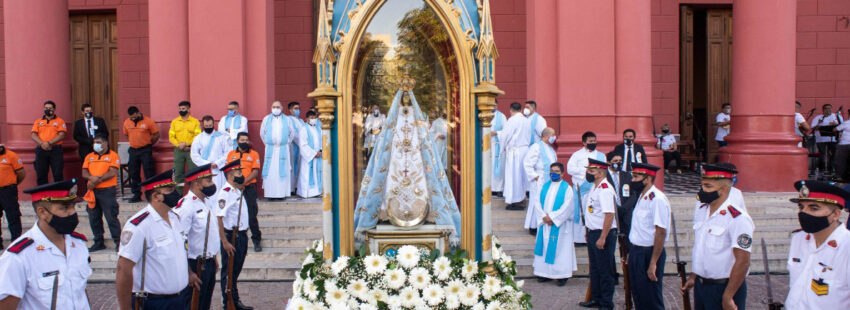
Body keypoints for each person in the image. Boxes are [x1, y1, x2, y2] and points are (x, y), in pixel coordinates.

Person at [353, 90, 462, 247]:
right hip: (396, 169)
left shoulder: (418, 127)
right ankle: (387, 212)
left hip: (416, 167)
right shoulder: (392, 126)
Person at [0, 179, 91, 309]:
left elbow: (80, 292)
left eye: (73, 207)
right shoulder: (20, 257)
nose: (72, 213)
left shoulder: (78, 244)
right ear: (42, 212)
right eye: (64, 208)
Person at [116, 170, 199, 310]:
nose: (176, 193)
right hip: (154, 302)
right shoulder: (139, 226)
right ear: (156, 196)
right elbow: (123, 269)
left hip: (180, 298)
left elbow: (180, 252)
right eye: (170, 190)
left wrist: (189, 273)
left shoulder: (175, 218)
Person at [680, 163, 754, 310]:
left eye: (708, 186)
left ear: (724, 189)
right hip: (701, 287)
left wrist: (728, 296)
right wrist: (694, 276)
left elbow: (743, 261)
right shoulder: (703, 210)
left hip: (724, 287)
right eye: (702, 185)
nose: (703, 190)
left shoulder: (738, 218)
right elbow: (701, 248)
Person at [784, 180, 850, 309]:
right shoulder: (799, 239)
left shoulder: (846, 247)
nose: (804, 213)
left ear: (836, 214)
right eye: (801, 207)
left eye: (814, 208)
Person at [174, 164, 221, 310]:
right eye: (208, 181)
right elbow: (180, 241)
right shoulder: (187, 206)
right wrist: (188, 272)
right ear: (196, 183)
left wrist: (213, 257)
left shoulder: (206, 202)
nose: (212, 184)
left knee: (204, 303)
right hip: (194, 264)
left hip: (208, 262)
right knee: (193, 304)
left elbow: (207, 234)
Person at [627, 163, 670, 310]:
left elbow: (660, 231)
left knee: (651, 297)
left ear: (647, 179)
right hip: (637, 251)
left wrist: (653, 262)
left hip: (649, 252)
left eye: (636, 177)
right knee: (639, 294)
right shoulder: (641, 196)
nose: (632, 180)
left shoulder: (657, 199)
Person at [578, 159, 618, 310]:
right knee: (594, 268)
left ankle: (606, 303)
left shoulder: (605, 189)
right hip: (593, 232)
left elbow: (609, 214)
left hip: (603, 234)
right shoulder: (595, 187)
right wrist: (588, 231)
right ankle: (596, 297)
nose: (588, 173)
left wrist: (602, 237)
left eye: (591, 171)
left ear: (600, 173)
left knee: (604, 270)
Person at [216, 161, 254, 310]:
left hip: (241, 235)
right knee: (229, 271)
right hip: (232, 236)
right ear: (231, 175)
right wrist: (224, 241)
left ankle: (235, 299)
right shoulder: (225, 193)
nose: (241, 175)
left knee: (235, 270)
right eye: (238, 172)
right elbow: (219, 217)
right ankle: (228, 303)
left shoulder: (236, 190)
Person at [532, 162, 577, 286]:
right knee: (544, 248)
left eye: (557, 171)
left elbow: (568, 206)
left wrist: (553, 218)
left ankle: (561, 275)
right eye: (552, 171)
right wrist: (544, 217)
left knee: (560, 250)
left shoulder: (567, 188)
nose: (553, 174)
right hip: (545, 224)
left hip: (560, 226)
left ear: (562, 173)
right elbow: (537, 203)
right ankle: (544, 273)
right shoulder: (544, 186)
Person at [82, 133, 121, 252]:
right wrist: (91, 178)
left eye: (98, 142)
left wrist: (97, 180)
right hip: (92, 191)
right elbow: (84, 172)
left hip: (107, 191)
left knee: (111, 217)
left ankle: (118, 242)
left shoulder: (113, 155)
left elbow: (112, 172)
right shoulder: (89, 156)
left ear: (105, 143)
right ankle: (98, 242)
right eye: (94, 143)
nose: (96, 145)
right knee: (94, 217)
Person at [567, 131, 606, 243]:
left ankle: (591, 237)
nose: (593, 143)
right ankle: (578, 239)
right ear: (584, 142)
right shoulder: (577, 155)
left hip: (595, 189)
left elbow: (604, 171)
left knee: (593, 211)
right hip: (581, 189)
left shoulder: (601, 156)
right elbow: (570, 169)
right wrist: (585, 172)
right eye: (590, 141)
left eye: (594, 141)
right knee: (580, 212)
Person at [226, 132, 262, 252]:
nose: (244, 142)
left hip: (249, 188)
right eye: (242, 140)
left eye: (246, 140)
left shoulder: (254, 154)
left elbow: (255, 172)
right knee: (234, 214)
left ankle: (256, 240)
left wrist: (243, 182)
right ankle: (235, 240)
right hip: (234, 189)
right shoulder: (231, 154)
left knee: (252, 215)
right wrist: (235, 184)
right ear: (237, 141)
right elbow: (227, 171)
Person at [493, 102, 531, 210]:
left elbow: (505, 135)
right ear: (521, 109)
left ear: (511, 110)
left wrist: (502, 149)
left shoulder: (512, 120)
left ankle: (516, 201)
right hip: (524, 150)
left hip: (514, 152)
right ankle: (521, 199)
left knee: (514, 177)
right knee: (522, 177)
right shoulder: (527, 120)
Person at [260, 101, 296, 200]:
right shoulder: (266, 119)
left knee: (283, 170)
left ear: (282, 108)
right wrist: (268, 143)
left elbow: (292, 133)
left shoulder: (287, 119)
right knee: (270, 172)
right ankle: (270, 194)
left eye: (277, 107)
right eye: (274, 107)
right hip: (270, 149)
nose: (275, 108)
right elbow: (262, 133)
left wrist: (286, 142)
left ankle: (281, 194)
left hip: (283, 148)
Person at [523, 127, 557, 234]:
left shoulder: (549, 148)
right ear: (547, 136)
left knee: (545, 201)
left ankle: (543, 223)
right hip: (540, 178)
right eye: (553, 135)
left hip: (549, 178)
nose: (554, 137)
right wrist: (535, 176)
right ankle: (533, 225)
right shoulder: (536, 147)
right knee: (536, 202)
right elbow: (527, 163)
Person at [124, 106, 160, 203]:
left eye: (134, 116)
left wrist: (149, 143)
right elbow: (126, 134)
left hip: (145, 149)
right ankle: (136, 194)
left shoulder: (148, 121)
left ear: (138, 113)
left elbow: (156, 134)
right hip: (133, 150)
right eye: (131, 117)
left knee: (149, 172)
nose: (133, 118)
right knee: (133, 172)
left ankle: (151, 194)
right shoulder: (126, 122)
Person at [31, 100, 67, 185]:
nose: (48, 110)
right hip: (41, 149)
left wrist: (49, 143)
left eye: (50, 108)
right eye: (46, 108)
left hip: (55, 150)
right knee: (41, 174)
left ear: (54, 109)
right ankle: (42, 192)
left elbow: (61, 135)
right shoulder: (38, 121)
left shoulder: (60, 121)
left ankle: (58, 192)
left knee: (58, 173)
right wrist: (42, 144)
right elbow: (33, 134)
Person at [191, 116, 231, 188]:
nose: (208, 127)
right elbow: (194, 155)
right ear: (203, 125)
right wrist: (207, 164)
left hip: (218, 169)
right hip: (204, 170)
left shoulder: (221, 137)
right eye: (206, 126)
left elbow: (227, 152)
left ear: (213, 124)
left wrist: (217, 163)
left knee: (219, 189)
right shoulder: (198, 138)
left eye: (210, 125)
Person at [169, 101, 201, 192]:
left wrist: (186, 144)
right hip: (178, 150)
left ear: (188, 109)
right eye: (180, 109)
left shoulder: (195, 122)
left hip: (191, 149)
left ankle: (195, 193)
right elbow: (171, 137)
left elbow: (197, 136)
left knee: (193, 172)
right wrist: (179, 145)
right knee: (178, 173)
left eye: (183, 109)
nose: (181, 110)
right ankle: (178, 193)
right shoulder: (174, 122)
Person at [0, 144, 25, 248]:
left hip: (8, 191)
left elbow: (21, 173)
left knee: (13, 216)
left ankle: (16, 241)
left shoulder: (11, 156)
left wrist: (12, 183)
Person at [297, 111, 323, 198]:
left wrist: (321, 151)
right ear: (307, 119)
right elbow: (303, 145)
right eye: (311, 118)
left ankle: (318, 191)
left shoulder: (318, 129)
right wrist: (313, 154)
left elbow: (323, 141)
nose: (313, 119)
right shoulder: (304, 129)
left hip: (319, 156)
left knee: (318, 174)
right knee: (308, 174)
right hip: (310, 157)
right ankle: (308, 193)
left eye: (315, 118)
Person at [812, 104, 843, 173]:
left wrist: (835, 125)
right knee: (822, 154)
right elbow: (813, 127)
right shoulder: (818, 117)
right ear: (823, 110)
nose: (828, 110)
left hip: (833, 139)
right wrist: (819, 124)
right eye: (826, 108)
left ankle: (831, 169)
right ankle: (822, 169)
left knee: (833, 153)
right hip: (821, 139)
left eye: (830, 108)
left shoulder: (837, 116)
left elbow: (842, 126)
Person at [287, 102, 305, 194]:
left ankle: (298, 187)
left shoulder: (301, 121)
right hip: (293, 146)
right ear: (290, 110)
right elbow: (292, 134)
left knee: (300, 167)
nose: (298, 110)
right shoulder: (288, 119)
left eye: (298, 108)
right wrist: (301, 143)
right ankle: (291, 188)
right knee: (292, 167)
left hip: (302, 148)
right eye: (295, 108)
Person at [491, 107, 508, 196]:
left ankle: (498, 189)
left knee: (498, 166)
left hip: (497, 145)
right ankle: (487, 188)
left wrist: (496, 133)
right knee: (487, 167)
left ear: (496, 106)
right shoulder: (482, 114)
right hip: (486, 145)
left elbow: (506, 131)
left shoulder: (501, 116)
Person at [833, 117, 850, 181]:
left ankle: (840, 176)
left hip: (844, 144)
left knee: (841, 161)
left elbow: (835, 129)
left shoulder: (846, 123)